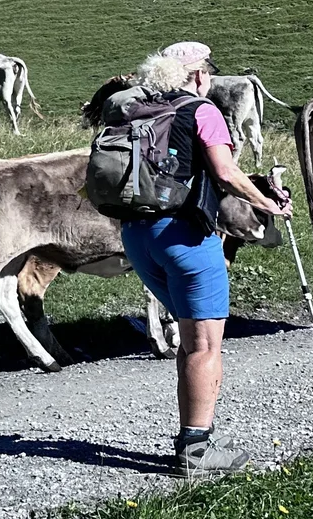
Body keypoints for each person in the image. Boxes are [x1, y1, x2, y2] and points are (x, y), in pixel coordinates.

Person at [119, 41, 290, 479]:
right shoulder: (202, 110)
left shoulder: (137, 111)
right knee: (204, 344)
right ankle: (195, 448)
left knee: (191, 337)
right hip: (186, 236)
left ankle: (196, 436)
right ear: (198, 75)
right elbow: (226, 173)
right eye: (209, 70)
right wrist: (268, 205)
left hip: (137, 235)